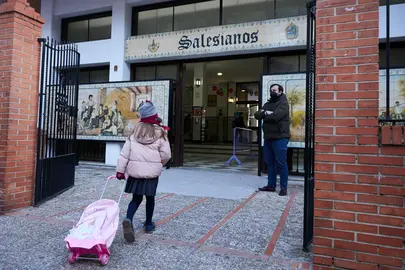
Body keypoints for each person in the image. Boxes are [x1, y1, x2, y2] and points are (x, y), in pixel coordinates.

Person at [115, 100, 171, 243]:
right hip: (151, 174)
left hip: (135, 173)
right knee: (150, 198)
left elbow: (125, 153)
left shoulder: (134, 132)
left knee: (136, 198)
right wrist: (159, 163)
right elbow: (166, 155)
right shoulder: (161, 132)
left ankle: (128, 218)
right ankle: (148, 224)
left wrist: (120, 171)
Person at [254, 83, 290, 196]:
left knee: (281, 163)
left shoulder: (283, 103)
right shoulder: (268, 104)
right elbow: (256, 115)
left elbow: (276, 117)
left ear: (280, 91)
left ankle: (283, 188)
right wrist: (265, 112)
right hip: (268, 137)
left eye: (274, 90)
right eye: (271, 90)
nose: (272, 92)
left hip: (280, 137)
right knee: (270, 162)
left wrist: (266, 115)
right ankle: (271, 185)